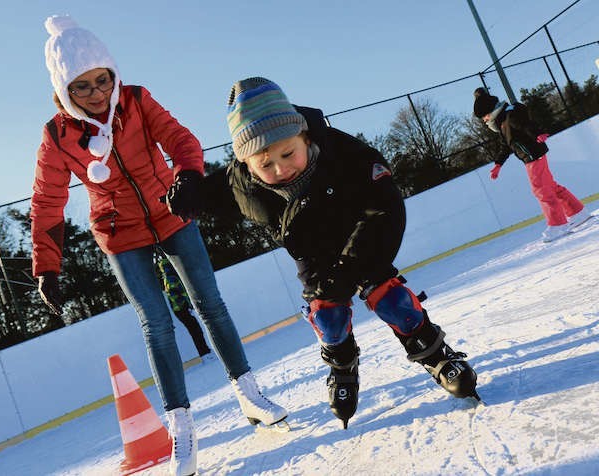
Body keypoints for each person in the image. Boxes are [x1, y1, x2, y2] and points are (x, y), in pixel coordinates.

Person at [31, 17, 286, 476]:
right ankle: (181, 429)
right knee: (156, 325)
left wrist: (187, 176)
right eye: (82, 86)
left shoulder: (136, 99)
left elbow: (180, 138)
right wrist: (47, 267)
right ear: (64, 89)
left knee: (210, 303)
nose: (96, 93)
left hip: (170, 211)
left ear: (113, 74)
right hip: (118, 233)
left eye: (102, 80)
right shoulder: (57, 137)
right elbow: (47, 201)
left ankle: (249, 394)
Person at [170, 77, 479, 429]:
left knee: (391, 300)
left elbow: (385, 210)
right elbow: (211, 193)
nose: (281, 169)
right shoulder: (240, 183)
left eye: (288, 154)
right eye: (265, 165)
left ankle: (433, 350)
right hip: (312, 253)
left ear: (305, 137)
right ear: (246, 164)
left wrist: (349, 269)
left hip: (362, 233)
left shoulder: (345, 154)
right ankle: (342, 362)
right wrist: (189, 190)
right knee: (328, 318)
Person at [473, 87, 591, 242]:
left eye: (484, 117)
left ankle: (558, 224)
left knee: (540, 189)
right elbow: (506, 145)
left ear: (490, 112)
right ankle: (577, 212)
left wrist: (537, 134)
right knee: (551, 187)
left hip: (533, 156)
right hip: (533, 156)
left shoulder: (509, 116)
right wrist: (498, 164)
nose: (485, 121)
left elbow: (525, 125)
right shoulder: (502, 122)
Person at [155, 253, 217, 362]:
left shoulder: (169, 276)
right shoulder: (171, 277)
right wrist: (188, 304)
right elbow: (180, 292)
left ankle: (205, 351)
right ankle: (205, 353)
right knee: (196, 331)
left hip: (181, 309)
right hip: (181, 309)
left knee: (196, 330)